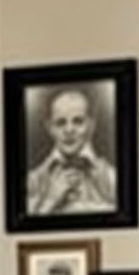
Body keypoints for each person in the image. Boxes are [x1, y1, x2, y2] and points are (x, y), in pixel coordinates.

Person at [26, 88, 116, 217]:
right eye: (60, 123)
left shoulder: (111, 177)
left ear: (91, 126)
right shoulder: (33, 181)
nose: (69, 130)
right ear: (50, 128)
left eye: (78, 121)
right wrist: (50, 200)